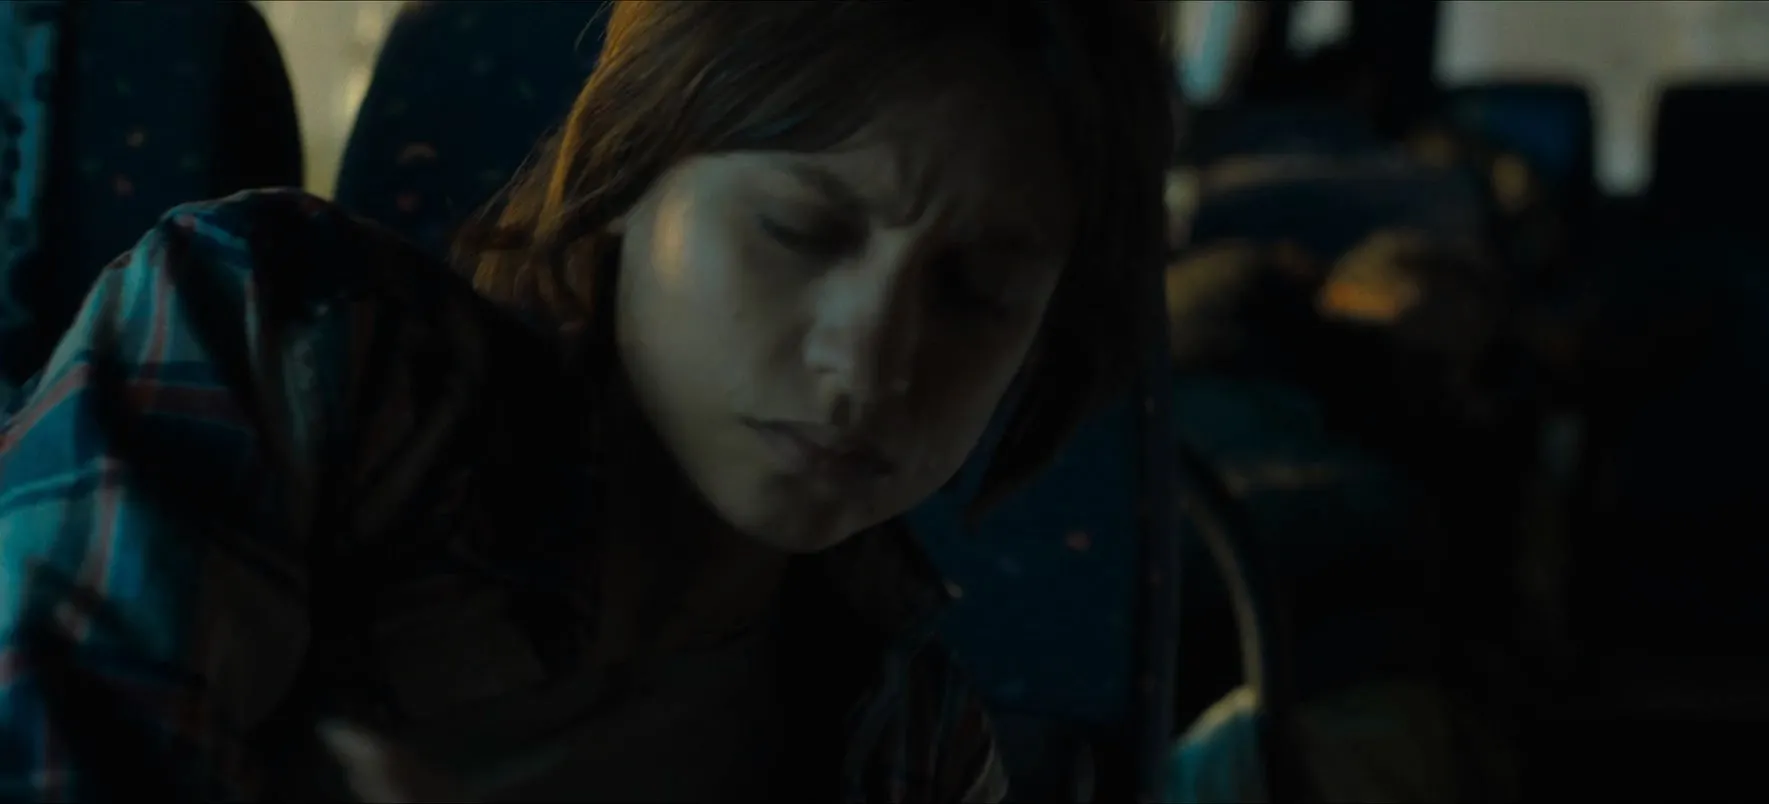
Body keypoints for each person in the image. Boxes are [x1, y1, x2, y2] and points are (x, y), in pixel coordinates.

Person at [0, 2, 1175, 800]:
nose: (865, 366)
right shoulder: (285, 341)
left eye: (976, 294)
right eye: (798, 231)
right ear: (627, 182)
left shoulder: (912, 749)